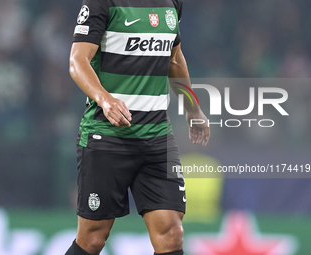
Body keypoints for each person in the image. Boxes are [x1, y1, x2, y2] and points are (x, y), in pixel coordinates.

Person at [66, 0, 210, 254]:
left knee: (172, 233)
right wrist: (104, 98)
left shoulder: (172, 3)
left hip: (157, 136)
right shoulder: (102, 2)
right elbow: (77, 61)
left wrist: (192, 108)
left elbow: (174, 58)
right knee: (93, 238)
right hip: (107, 135)